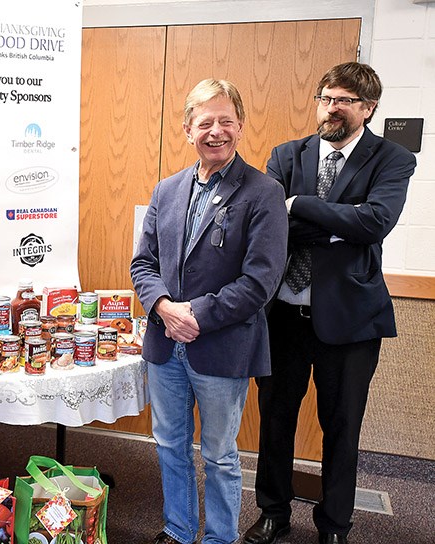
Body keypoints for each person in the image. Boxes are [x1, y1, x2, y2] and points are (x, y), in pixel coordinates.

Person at [242, 62, 416, 544]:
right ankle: (273, 513)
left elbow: (376, 222)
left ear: (368, 107)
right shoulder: (286, 154)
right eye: (326, 97)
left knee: (341, 427)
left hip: (351, 320)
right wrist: (340, 225)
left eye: (343, 100)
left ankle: (335, 524)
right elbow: (267, 226)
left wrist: (297, 206)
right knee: (276, 420)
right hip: (283, 317)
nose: (331, 108)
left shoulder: (392, 159)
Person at [131, 79, 288, 544]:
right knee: (170, 446)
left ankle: (221, 537)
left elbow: (260, 282)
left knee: (220, 455)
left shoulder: (264, 193)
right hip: (165, 348)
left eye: (225, 121)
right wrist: (162, 305)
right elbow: (144, 263)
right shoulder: (167, 190)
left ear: (240, 127)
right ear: (187, 129)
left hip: (221, 347)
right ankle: (178, 530)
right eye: (205, 122)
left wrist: (193, 314)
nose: (215, 131)